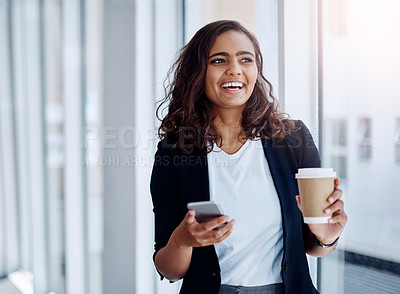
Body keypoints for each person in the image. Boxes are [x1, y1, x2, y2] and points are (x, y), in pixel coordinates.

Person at [150, 20, 347, 294]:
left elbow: (312, 246)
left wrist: (327, 236)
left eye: (246, 59)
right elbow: (168, 268)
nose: (235, 70)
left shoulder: (293, 139)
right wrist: (183, 241)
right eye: (219, 60)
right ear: (198, 71)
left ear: (257, 69)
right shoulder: (174, 152)